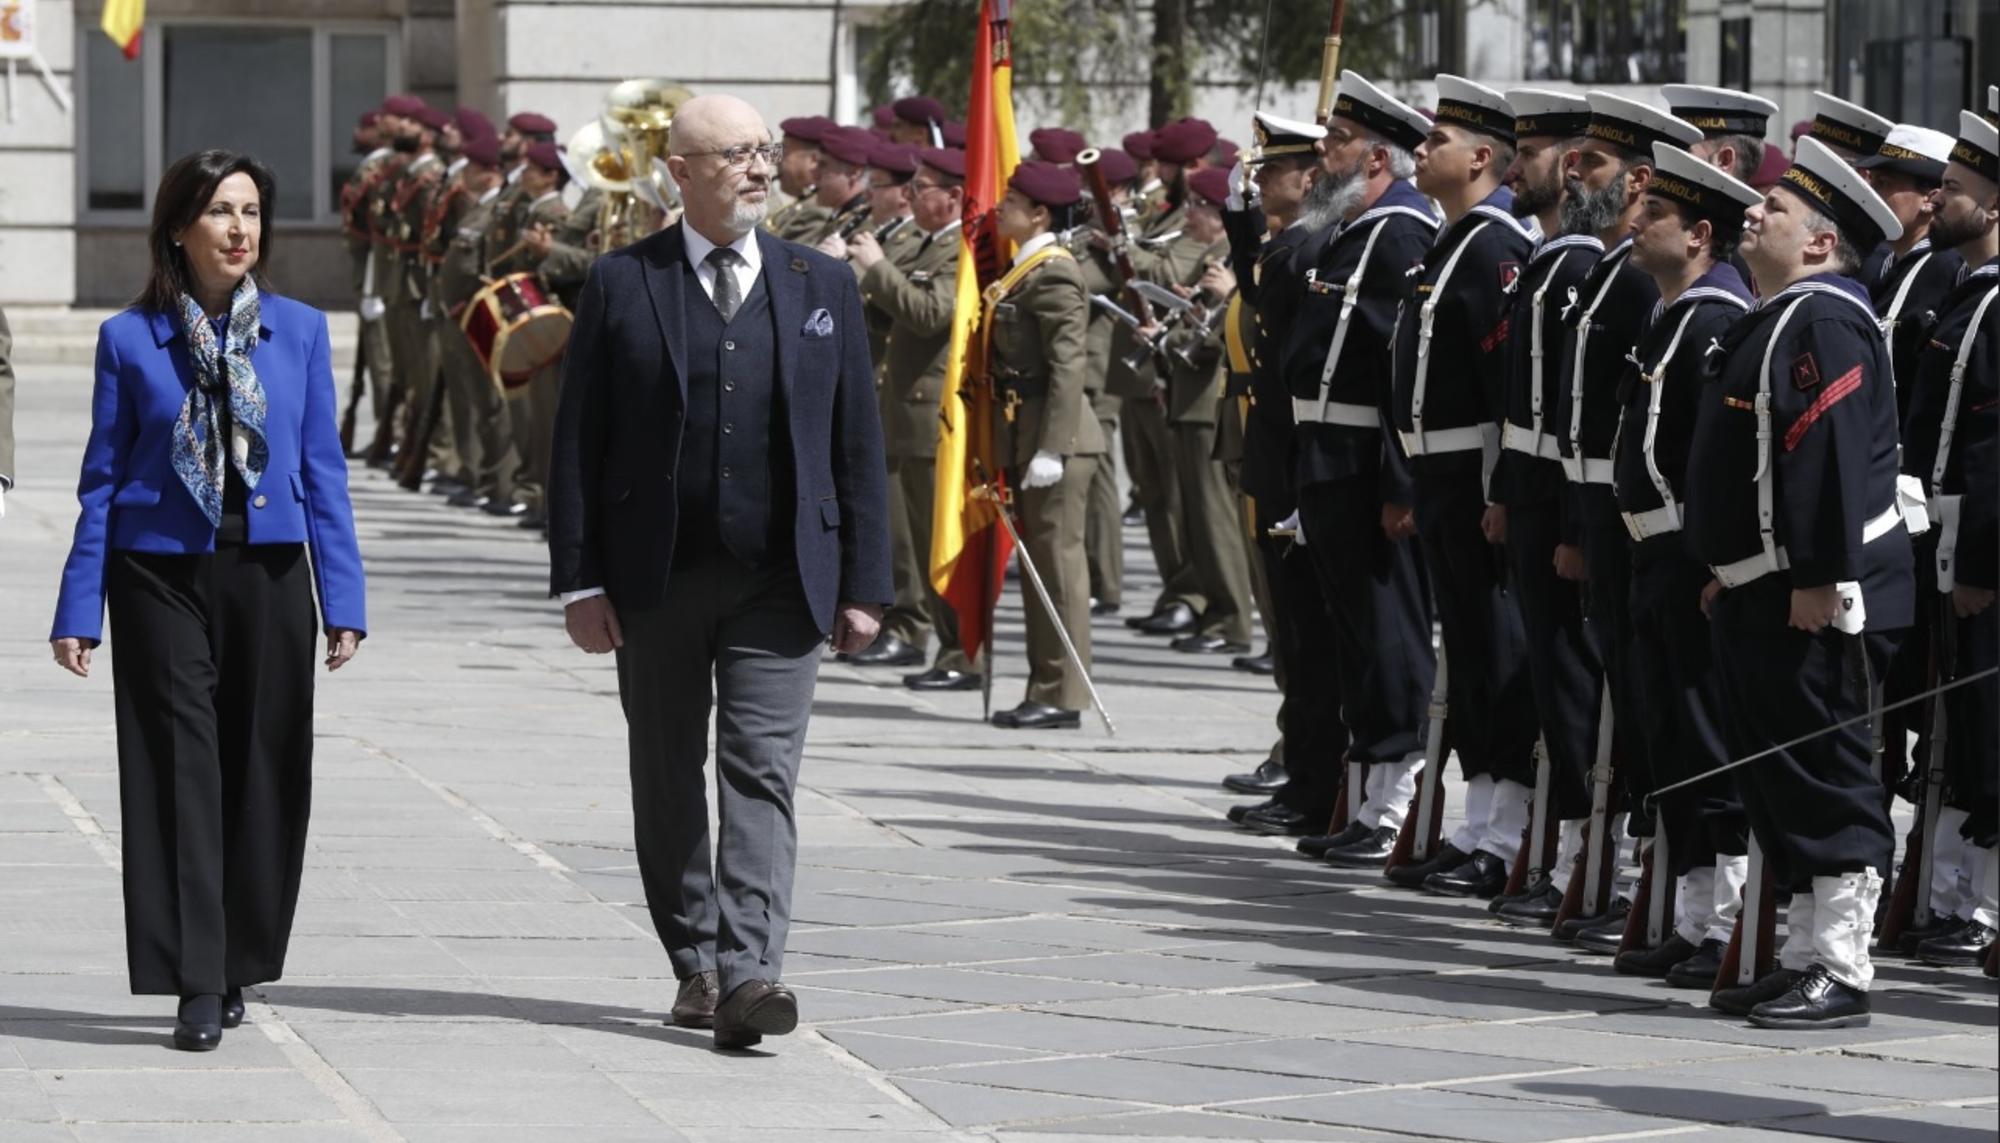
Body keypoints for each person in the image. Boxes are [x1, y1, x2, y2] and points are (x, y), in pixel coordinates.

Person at [547, 94, 891, 1049]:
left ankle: (751, 972)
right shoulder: (623, 282)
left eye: (763, 151)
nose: (756, 168)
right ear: (680, 172)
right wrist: (579, 579)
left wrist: (867, 582)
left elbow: (856, 440)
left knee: (762, 771)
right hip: (653, 577)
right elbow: (578, 442)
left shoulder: (820, 282)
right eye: (734, 154)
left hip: (783, 576)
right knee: (665, 771)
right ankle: (695, 961)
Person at [48, 150, 366, 1052]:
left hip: (268, 575)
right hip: (158, 575)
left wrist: (342, 594)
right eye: (222, 212)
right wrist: (79, 608)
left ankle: (236, 960)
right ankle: (194, 978)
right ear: (180, 227)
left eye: (254, 212)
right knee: (180, 770)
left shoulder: (300, 331)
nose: (240, 230)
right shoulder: (127, 338)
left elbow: (322, 472)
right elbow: (101, 482)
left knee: (262, 773)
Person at [1688, 137, 1913, 1029]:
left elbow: (1821, 458)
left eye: (1774, 209)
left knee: (1827, 772)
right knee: (1778, 774)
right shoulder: (1783, 313)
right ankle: (1800, 954)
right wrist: (1731, 571)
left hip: (1813, 594)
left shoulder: (1822, 320)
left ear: (1821, 242)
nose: (1753, 210)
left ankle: (1843, 964)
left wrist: (1817, 578)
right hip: (1766, 585)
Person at [1245, 85, 1439, 856]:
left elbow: (1405, 374)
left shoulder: (1398, 235)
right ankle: (1359, 801)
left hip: (1366, 464)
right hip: (1327, 460)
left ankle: (1393, 809)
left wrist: (1399, 484)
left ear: (1380, 158)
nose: (1324, 153)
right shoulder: (1351, 232)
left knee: (1389, 641)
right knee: (1353, 639)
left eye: (1340, 140)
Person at [1547, 93, 1704, 936]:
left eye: (1596, 163)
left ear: (1641, 180)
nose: (1578, 171)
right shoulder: (1614, 270)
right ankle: (1640, 873)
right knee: (1620, 685)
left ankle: (1662, 874)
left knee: (1648, 704)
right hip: (1601, 511)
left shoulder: (1658, 288)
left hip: (1635, 516)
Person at [1608, 142, 1760, 987]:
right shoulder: (1675, 313)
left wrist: (1712, 559)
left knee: (1707, 742)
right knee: (1670, 743)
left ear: (1700, 233)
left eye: (1655, 216)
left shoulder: (1715, 316)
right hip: (1650, 550)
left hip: (1686, 553)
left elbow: (1725, 458)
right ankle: (1695, 917)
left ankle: (1729, 921)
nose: (1636, 224)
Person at [1386, 75, 1539, 899]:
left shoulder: (1493, 248)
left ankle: (1505, 829)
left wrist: (1498, 489)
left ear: (1481, 157)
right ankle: (1478, 820)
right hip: (1440, 473)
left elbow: (1504, 385)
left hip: (1474, 475)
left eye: (1437, 139)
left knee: (1496, 650)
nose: (1422, 148)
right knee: (1471, 657)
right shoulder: (1452, 241)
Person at [1485, 88, 1602, 922]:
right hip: (1528, 497)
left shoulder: (1581, 266)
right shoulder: (1550, 258)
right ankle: (1561, 854)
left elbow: (1578, 416)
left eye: (1526, 155)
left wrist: (1566, 525)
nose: (1511, 167)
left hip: (1558, 507)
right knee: (1550, 685)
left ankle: (1584, 859)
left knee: (1570, 684)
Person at [1896, 107, 1997, 967]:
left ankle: (1985, 907)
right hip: (1946, 546)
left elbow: (1994, 455)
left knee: (1991, 728)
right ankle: (1955, 890)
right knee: (1961, 727)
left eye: (1956, 190)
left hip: (1978, 555)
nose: (1937, 200)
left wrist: (1980, 566)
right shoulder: (1968, 295)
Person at [986, 162, 1108, 730]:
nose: (999, 207)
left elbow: (1068, 365)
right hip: (1026, 431)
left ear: (1038, 213)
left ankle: (1063, 695)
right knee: (1041, 571)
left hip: (1057, 440)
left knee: (1058, 571)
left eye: (1010, 200)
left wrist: (1053, 448)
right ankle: (1046, 684)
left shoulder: (1053, 273)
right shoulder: (1023, 270)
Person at [853, 146, 977, 692]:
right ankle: (924, 634)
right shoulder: (931, 243)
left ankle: (958, 651)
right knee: (906, 540)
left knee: (936, 544)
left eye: (923, 187)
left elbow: (930, 314)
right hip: (901, 410)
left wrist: (877, 266)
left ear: (953, 197)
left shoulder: (962, 249)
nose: (911, 195)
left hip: (933, 418)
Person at [1116, 118, 1216, 638]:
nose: (1154, 174)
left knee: (1184, 498)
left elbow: (1160, 274)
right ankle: (1175, 585)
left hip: (1178, 372)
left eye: (1166, 166)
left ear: (1192, 167)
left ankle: (1195, 592)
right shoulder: (1169, 211)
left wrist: (1119, 246)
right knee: (1154, 492)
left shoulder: (1207, 211)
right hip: (1145, 370)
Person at [1154, 168, 1256, 657]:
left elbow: (1233, 335)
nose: (1189, 211)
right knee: (1196, 519)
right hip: (1188, 396)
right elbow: (1195, 333)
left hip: (1209, 403)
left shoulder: (1234, 261)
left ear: (1220, 217)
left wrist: (1227, 295)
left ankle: (1234, 619)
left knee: (1216, 520)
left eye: (1199, 204)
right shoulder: (1214, 259)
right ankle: (1216, 611)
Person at [766, 115, 834, 241]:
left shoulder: (816, 212)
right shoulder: (803, 203)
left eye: (785, 152)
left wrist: (760, 194)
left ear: (813, 160)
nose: (777, 162)